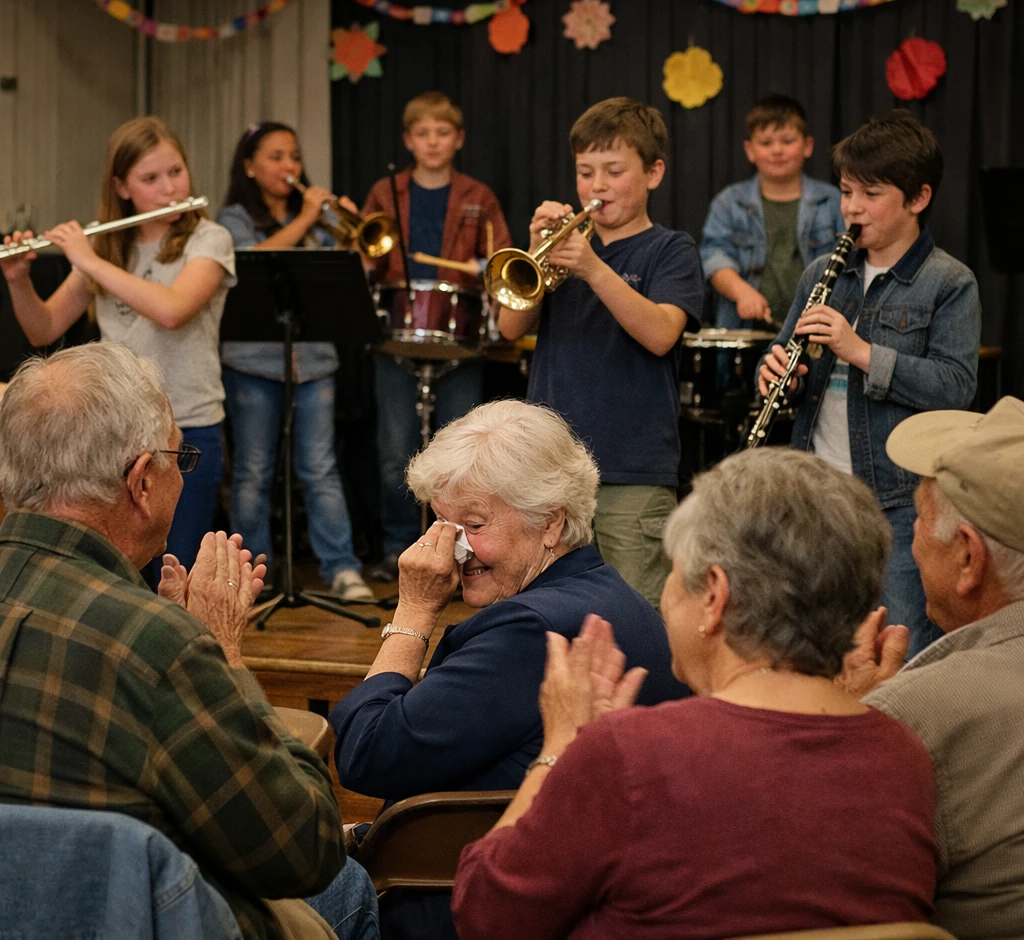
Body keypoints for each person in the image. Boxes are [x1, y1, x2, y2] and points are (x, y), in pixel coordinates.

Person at [451, 447, 937, 940]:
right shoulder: (905, 753)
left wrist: (558, 748)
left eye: (672, 573)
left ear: (714, 596)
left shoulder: (630, 752)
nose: (664, 595)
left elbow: (485, 917)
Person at [0, 343, 379, 940]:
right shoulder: (155, 646)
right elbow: (306, 846)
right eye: (181, 456)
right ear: (142, 482)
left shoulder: (141, 635)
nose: (184, 472)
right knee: (348, 886)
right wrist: (220, 650)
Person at [330, 399, 687, 940]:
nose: (453, 550)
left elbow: (364, 752)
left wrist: (413, 610)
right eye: (442, 523)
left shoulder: (530, 631)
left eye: (473, 523)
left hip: (456, 906)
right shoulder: (612, 596)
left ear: (551, 523)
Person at [758, 110, 980, 657]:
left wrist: (858, 351)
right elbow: (790, 357)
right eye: (846, 191)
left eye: (870, 193)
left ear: (918, 198)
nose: (852, 208)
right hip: (817, 495)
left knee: (898, 651)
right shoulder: (821, 274)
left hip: (901, 503)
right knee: (815, 648)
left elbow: (956, 388)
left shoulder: (949, 283)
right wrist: (775, 376)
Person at [0, 116, 235, 574]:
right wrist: (19, 282)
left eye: (176, 172)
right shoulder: (110, 248)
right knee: (118, 570)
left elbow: (172, 310)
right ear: (122, 188)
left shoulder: (210, 239)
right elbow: (43, 329)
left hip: (186, 433)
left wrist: (88, 259)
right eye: (151, 179)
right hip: (115, 438)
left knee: (174, 570)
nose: (169, 188)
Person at [498, 96, 705, 606]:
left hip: (631, 471)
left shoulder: (670, 250)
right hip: (551, 472)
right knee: (554, 614)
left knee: (638, 616)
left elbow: (660, 333)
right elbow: (509, 326)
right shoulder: (564, 251)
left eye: (614, 171)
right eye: (586, 172)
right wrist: (533, 251)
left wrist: (593, 267)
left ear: (654, 172)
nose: (597, 186)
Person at [837, 396, 1024, 940]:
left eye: (917, 518)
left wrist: (850, 723)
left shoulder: (917, 710)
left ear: (968, 558)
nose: (909, 539)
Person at [218, 122, 372, 600]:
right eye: (276, 157)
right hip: (252, 361)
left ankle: (342, 569)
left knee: (321, 468)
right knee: (252, 472)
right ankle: (254, 575)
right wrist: (307, 218)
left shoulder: (317, 221)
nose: (290, 167)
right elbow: (245, 264)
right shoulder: (233, 217)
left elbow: (352, 278)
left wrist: (350, 238)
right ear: (249, 166)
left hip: (314, 361)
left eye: (295, 157)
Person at [362, 91, 511, 581]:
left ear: (458, 139)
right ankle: (395, 547)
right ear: (408, 140)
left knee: (463, 459)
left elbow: (505, 261)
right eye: (422, 133)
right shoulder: (385, 192)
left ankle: (460, 551)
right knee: (394, 451)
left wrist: (485, 266)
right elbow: (365, 256)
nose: (432, 142)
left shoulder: (479, 196)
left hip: (460, 338)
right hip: (393, 335)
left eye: (442, 133)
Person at [700, 93, 845, 329]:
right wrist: (742, 292)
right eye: (766, 143)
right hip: (746, 330)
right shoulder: (728, 202)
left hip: (818, 330)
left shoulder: (833, 200)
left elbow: (851, 266)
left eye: (787, 141)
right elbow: (714, 258)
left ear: (808, 146)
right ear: (750, 150)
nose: (777, 150)